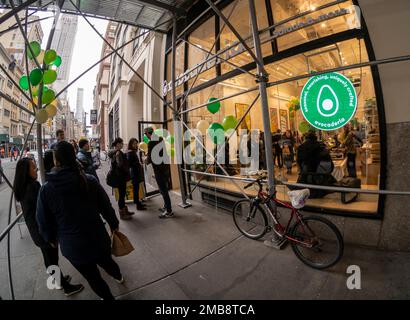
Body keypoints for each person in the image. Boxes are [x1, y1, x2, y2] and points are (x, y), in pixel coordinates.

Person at [36, 141, 125, 300]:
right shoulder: (88, 179)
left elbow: (43, 221)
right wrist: (114, 224)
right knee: (108, 263)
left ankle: (108, 296)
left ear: (56, 161)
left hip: (72, 246)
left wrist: (50, 238)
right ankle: (118, 276)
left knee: (93, 278)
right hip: (97, 238)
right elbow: (106, 206)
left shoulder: (47, 189)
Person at [14, 157, 84, 297]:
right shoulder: (31, 188)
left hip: (37, 230)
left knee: (50, 258)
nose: (36, 170)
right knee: (51, 260)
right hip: (42, 230)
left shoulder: (25, 186)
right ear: (25, 172)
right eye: (33, 168)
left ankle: (59, 280)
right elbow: (43, 210)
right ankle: (66, 287)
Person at [144, 127, 173, 218]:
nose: (146, 136)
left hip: (159, 169)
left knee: (163, 190)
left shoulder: (151, 142)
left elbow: (150, 157)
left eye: (146, 134)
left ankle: (169, 211)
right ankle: (166, 206)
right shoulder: (160, 139)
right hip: (165, 167)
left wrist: (145, 161)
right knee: (163, 189)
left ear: (148, 134)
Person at [108, 138, 134, 220]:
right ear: (118, 144)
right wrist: (127, 169)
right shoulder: (118, 153)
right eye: (121, 143)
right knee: (122, 195)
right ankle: (122, 214)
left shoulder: (115, 152)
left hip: (118, 177)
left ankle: (124, 211)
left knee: (122, 195)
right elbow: (120, 165)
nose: (122, 144)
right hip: (120, 177)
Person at [127, 138, 146, 211]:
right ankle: (138, 205)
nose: (135, 145)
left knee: (137, 189)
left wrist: (138, 164)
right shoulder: (130, 152)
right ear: (131, 144)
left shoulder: (133, 151)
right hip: (134, 173)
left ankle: (138, 203)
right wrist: (138, 164)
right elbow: (129, 164)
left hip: (136, 172)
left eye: (136, 143)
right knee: (136, 189)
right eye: (134, 143)